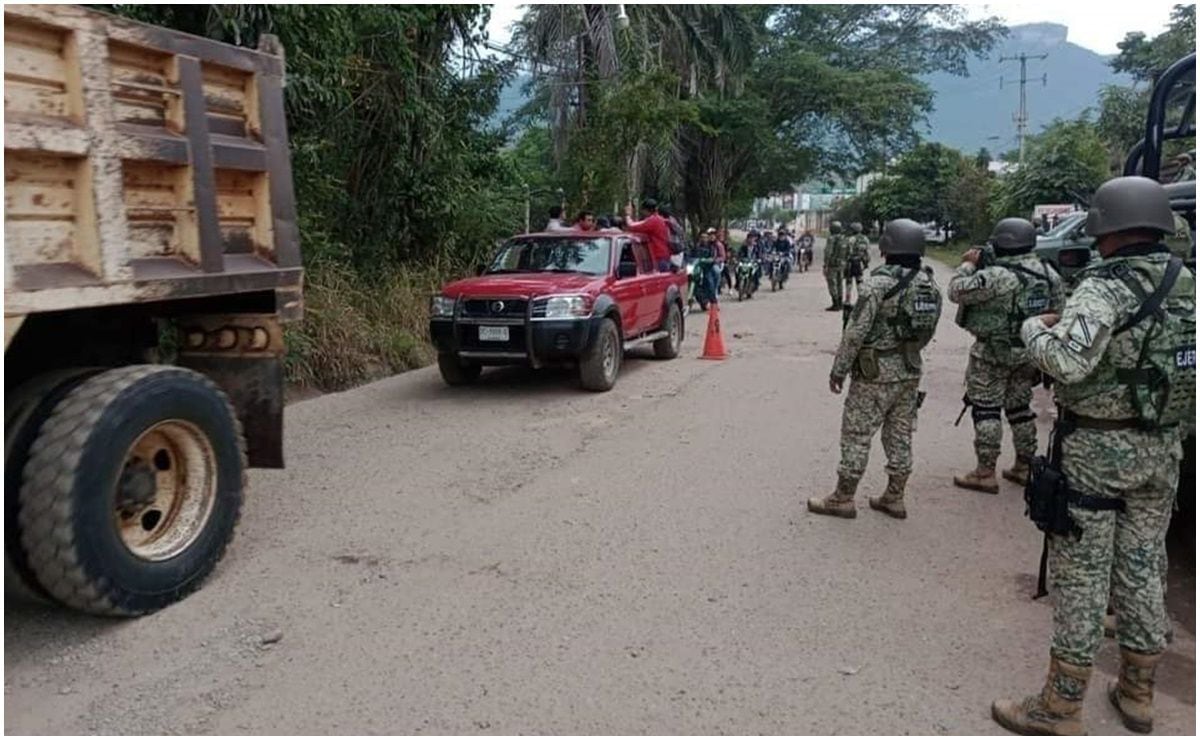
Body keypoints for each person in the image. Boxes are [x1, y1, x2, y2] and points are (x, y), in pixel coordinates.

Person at [992, 176, 1195, 735]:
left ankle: (1059, 706)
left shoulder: (1102, 288)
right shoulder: (1190, 286)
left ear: (1104, 227)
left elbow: (1067, 363)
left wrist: (1036, 327)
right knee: (1144, 568)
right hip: (1162, 451)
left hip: (1097, 454)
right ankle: (1137, 692)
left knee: (1082, 574)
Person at [807, 219, 943, 520]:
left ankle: (843, 498)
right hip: (909, 370)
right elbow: (928, 330)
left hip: (874, 372)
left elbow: (856, 332)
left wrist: (839, 369)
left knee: (857, 433)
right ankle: (894, 497)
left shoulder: (877, 284)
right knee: (900, 433)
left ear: (886, 247)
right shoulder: (929, 285)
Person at [948, 218, 1065, 493]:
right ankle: (1025, 466)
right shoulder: (1049, 273)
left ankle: (985, 471)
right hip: (1029, 353)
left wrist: (968, 263)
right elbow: (1060, 312)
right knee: (1020, 409)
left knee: (986, 409)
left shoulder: (997, 276)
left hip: (992, 352)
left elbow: (956, 291)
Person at [623, 198, 672, 271]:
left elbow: (632, 226)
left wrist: (627, 215)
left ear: (646, 210)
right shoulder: (659, 219)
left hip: (659, 258)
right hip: (664, 257)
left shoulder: (653, 221)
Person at [844, 222, 871, 306]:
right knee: (859, 281)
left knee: (849, 282)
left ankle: (848, 300)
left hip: (850, 263)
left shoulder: (850, 239)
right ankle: (861, 299)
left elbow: (846, 252)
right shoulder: (865, 239)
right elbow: (868, 253)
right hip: (859, 262)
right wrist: (866, 263)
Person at [824, 221, 847, 311]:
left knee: (832, 283)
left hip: (832, 265)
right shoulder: (844, 238)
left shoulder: (831, 239)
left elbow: (828, 252)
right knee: (839, 283)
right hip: (841, 264)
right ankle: (840, 303)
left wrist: (825, 265)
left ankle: (835, 303)